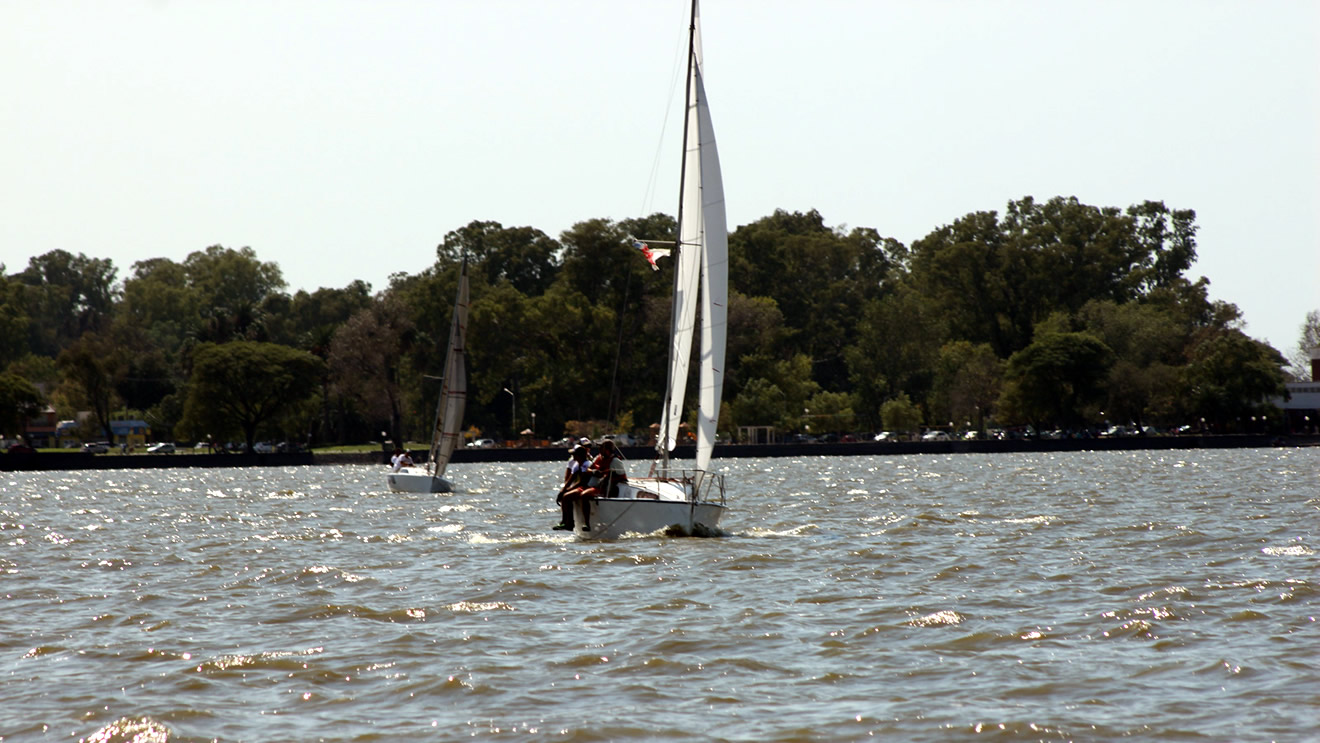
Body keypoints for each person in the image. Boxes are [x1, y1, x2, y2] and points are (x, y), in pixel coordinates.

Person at [553, 444, 593, 530]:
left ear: (579, 456)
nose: (573, 456)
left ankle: (571, 523)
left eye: (574, 454)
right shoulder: (576, 465)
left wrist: (569, 490)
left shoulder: (587, 464)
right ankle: (565, 521)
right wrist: (562, 491)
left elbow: (582, 481)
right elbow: (570, 480)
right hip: (581, 486)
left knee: (567, 496)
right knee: (564, 495)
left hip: (587, 486)